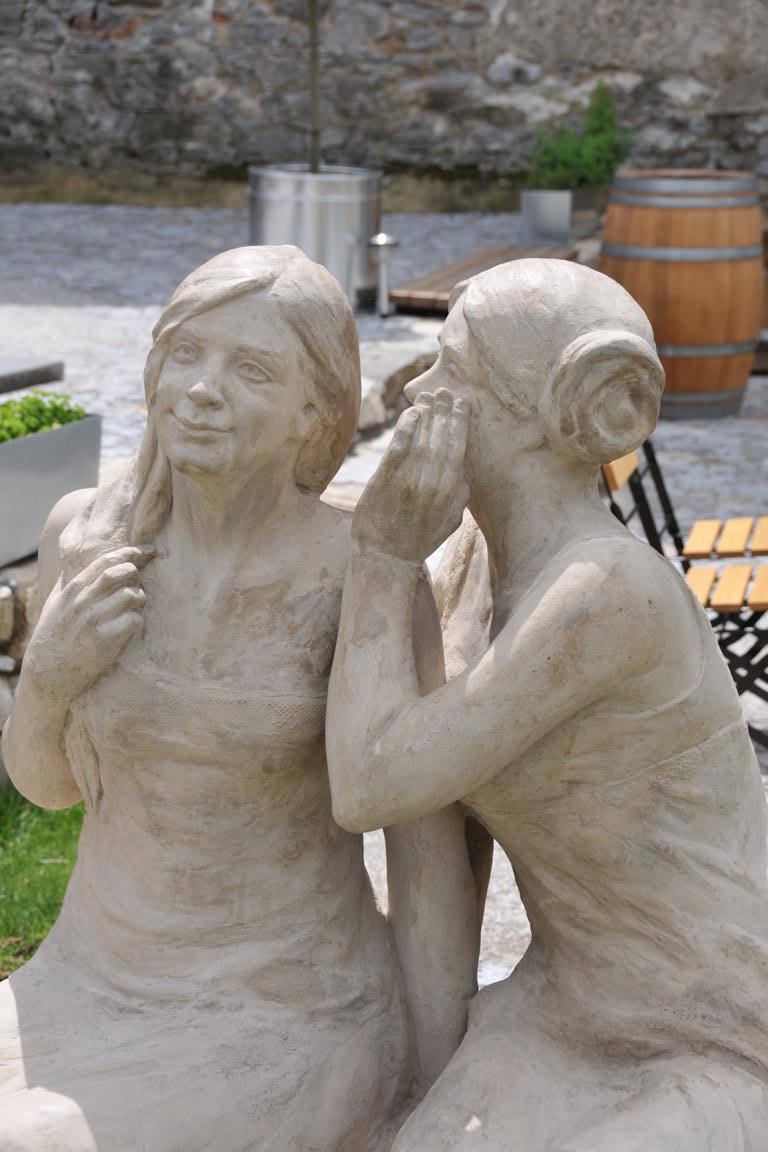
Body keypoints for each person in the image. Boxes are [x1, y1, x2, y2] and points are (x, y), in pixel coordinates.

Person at [0, 246, 480, 1152]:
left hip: (286, 1005)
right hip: (87, 973)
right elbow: (47, 787)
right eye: (185, 354)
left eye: (250, 369)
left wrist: (431, 1079)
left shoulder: (360, 572)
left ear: (314, 412)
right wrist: (50, 673)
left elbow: (425, 858)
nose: (201, 391)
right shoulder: (87, 534)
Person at [326, 259, 768, 1150]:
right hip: (565, 1005)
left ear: (536, 412)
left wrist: (379, 559)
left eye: (452, 369)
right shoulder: (467, 573)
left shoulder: (605, 593)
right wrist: (431, 1076)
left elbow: (369, 786)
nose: (418, 389)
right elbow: (437, 840)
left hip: (707, 1024)